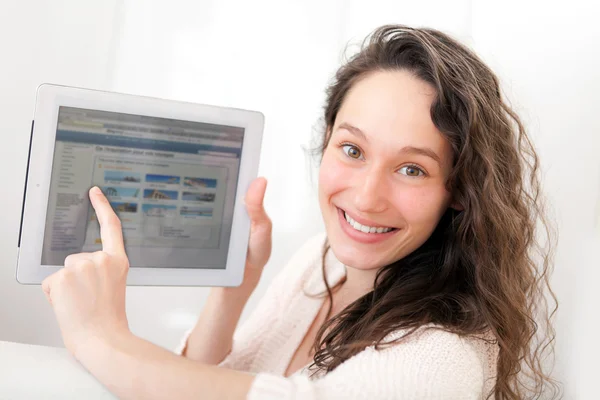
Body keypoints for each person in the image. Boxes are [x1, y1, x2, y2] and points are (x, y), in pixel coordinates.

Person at [41, 25, 559, 399]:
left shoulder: (445, 357)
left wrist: (99, 337)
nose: (365, 197)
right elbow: (206, 382)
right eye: (352, 151)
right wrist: (234, 289)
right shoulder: (324, 261)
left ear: (461, 189)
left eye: (412, 169)